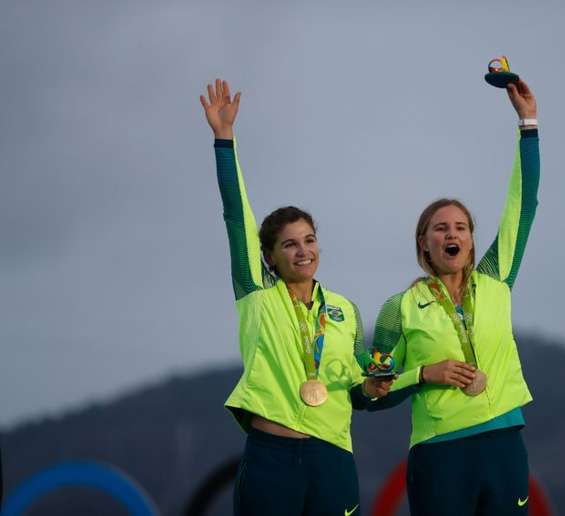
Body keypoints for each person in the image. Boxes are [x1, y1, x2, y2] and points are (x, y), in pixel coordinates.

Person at [200, 79, 391, 516]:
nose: (303, 251)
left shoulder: (343, 309)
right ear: (269, 256)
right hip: (273, 456)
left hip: (333, 457)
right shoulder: (257, 295)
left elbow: (356, 383)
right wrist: (224, 139)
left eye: (309, 240)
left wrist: (371, 386)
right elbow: (235, 213)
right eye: (289, 244)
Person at [369, 78, 540, 515]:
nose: (452, 233)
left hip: (504, 442)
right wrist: (425, 374)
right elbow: (373, 391)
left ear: (471, 241)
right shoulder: (399, 308)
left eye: (461, 227)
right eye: (441, 228)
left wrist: (528, 124)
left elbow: (524, 204)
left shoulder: (496, 278)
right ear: (423, 244)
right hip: (439, 453)